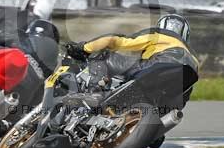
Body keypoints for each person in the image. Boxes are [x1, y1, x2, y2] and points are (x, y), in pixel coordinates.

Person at [66, 13, 199, 103]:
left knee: (102, 55)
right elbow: (182, 100)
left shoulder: (159, 34)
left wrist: (84, 48)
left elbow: (115, 40)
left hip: (154, 65)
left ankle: (93, 93)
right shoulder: (193, 59)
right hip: (170, 94)